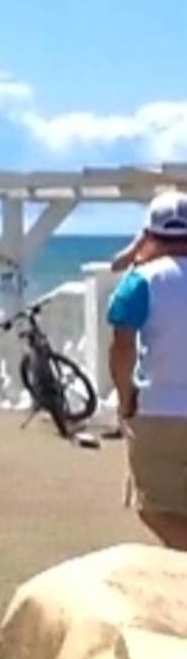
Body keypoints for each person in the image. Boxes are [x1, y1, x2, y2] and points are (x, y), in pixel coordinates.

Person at [104, 189, 187, 549]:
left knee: (156, 508)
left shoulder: (140, 281)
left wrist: (126, 398)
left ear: (150, 234)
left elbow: (122, 349)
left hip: (159, 410)